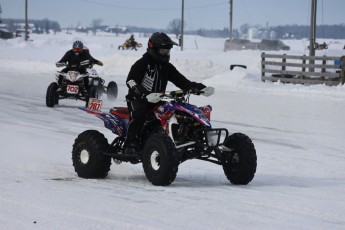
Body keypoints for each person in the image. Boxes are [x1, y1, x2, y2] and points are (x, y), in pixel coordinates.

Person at [123, 32, 206, 155]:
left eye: (167, 51)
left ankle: (181, 139)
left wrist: (195, 87)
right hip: (138, 100)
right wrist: (143, 93)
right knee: (139, 114)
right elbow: (130, 81)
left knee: (177, 111)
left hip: (157, 100)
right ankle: (130, 144)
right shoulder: (142, 63)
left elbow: (181, 81)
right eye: (163, 50)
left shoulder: (166, 67)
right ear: (153, 47)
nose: (165, 53)